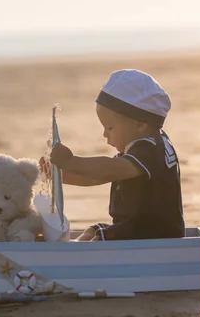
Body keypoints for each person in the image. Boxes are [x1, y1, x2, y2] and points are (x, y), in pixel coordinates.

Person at [40, 69, 185, 241]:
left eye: (110, 128)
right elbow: (96, 178)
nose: (105, 134)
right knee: (94, 230)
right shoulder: (139, 149)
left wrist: (71, 161)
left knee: (103, 237)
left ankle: (79, 259)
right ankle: (75, 247)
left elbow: (108, 170)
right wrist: (60, 176)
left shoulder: (150, 149)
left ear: (140, 124)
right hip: (135, 228)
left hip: (153, 234)